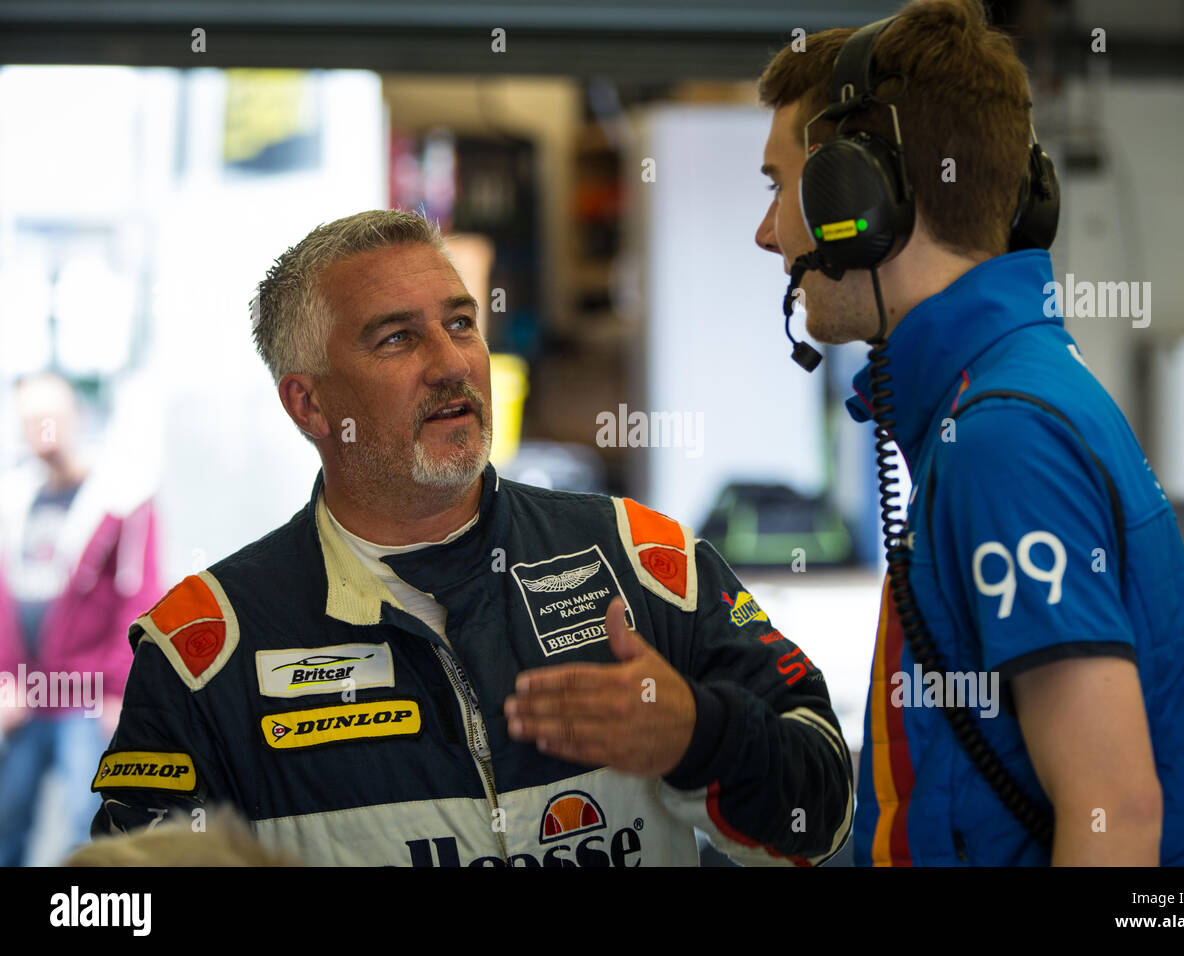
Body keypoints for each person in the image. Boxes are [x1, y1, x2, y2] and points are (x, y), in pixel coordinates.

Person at [89, 209, 853, 866]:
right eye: (396, 339)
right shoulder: (206, 650)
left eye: (460, 324)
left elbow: (823, 818)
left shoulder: (644, 561)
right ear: (310, 405)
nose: (452, 363)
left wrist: (703, 739)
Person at [754, 0, 1184, 865]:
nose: (765, 234)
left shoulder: (1001, 440)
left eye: (778, 185)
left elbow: (1114, 816)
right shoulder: (1014, 393)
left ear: (854, 195)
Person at [0, 372, 162, 866]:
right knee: (9, 815)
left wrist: (120, 690)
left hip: (88, 698)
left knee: (85, 823)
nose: (41, 432)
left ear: (75, 418)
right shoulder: (14, 499)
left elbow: (138, 601)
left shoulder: (122, 499)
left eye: (49, 419)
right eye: (30, 422)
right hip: (25, 697)